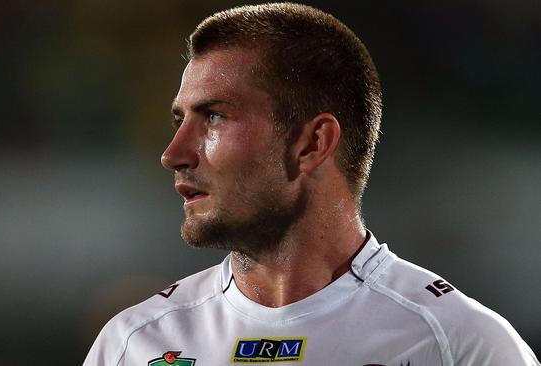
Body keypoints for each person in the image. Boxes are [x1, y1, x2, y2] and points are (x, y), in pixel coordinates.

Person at [83, 3, 539, 365]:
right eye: (180, 120)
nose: (173, 154)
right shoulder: (134, 344)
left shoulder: (459, 347)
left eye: (215, 117)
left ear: (312, 143)